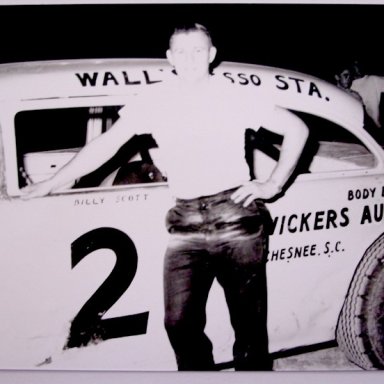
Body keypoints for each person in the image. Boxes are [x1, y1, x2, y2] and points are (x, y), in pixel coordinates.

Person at [22, 23, 309, 371]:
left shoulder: (234, 94)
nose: (190, 59)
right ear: (170, 58)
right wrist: (52, 183)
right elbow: (106, 144)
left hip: (236, 216)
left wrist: (273, 184)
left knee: (248, 327)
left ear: (211, 55)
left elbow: (297, 128)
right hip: (185, 222)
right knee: (179, 324)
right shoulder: (155, 99)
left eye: (198, 51)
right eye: (182, 52)